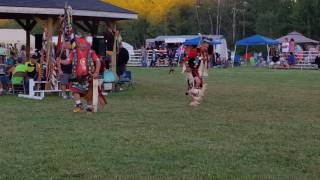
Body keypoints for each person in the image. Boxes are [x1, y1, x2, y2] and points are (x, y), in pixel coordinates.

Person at [60, 37, 106, 113]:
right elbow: (67, 61)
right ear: (78, 44)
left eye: (85, 44)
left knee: (89, 93)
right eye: (82, 44)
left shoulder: (91, 52)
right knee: (75, 91)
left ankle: (89, 108)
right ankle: (79, 105)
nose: (84, 45)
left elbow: (98, 62)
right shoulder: (73, 52)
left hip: (88, 76)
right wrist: (61, 61)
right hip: (77, 77)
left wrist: (97, 72)